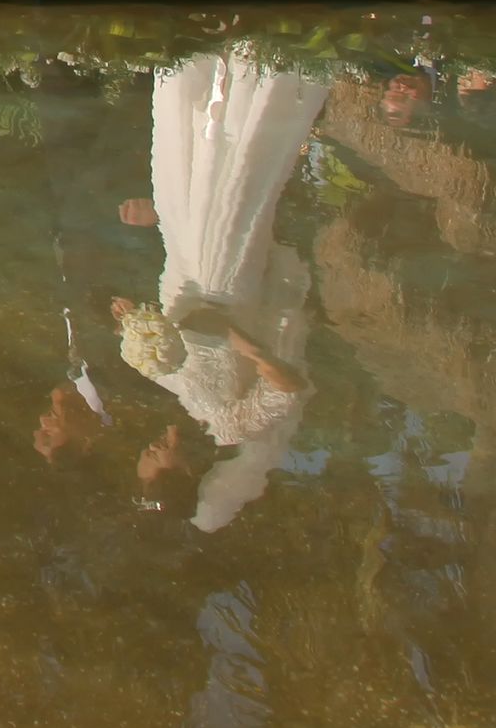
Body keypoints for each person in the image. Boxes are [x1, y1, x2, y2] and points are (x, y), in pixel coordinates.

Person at [114, 50, 333, 533]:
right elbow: (289, 388)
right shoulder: (233, 426)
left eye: (144, 456)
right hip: (224, 288)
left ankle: (194, 60)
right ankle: (261, 69)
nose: (150, 450)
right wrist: (240, 341)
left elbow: (168, 355)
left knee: (182, 190)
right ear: (188, 471)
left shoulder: (180, 400)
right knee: (231, 193)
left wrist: (134, 324)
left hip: (179, 285)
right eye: (157, 461)